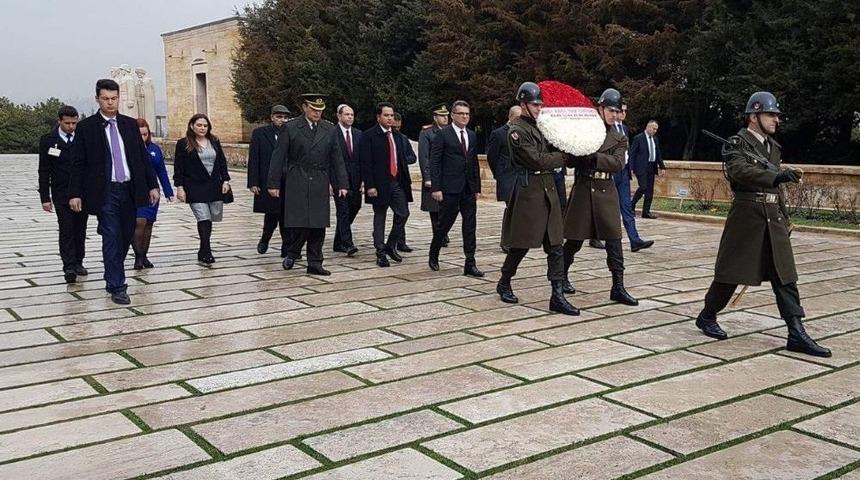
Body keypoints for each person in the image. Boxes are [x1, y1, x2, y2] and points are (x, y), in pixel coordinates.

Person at [695, 92, 830, 357]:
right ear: (754, 116)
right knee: (730, 274)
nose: (776, 120)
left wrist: (785, 217)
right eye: (771, 114)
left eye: (777, 115)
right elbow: (739, 172)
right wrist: (776, 176)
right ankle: (707, 315)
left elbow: (776, 190)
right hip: (747, 217)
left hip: (772, 216)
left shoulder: (773, 147)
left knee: (785, 276)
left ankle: (796, 332)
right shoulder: (737, 142)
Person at [68, 79, 159, 305]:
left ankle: (111, 276)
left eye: (114, 98)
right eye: (106, 99)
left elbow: (141, 158)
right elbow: (77, 163)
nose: (110, 103)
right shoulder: (87, 127)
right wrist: (75, 193)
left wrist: (152, 185)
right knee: (111, 235)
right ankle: (118, 286)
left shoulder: (129, 125)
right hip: (105, 191)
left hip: (129, 189)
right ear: (97, 98)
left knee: (125, 236)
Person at [497, 82, 578, 315]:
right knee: (521, 244)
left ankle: (557, 295)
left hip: (548, 189)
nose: (539, 108)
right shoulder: (516, 130)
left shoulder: (542, 127)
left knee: (555, 245)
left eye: (541, 104)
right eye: (535, 104)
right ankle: (504, 281)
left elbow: (553, 150)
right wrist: (562, 157)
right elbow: (537, 160)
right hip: (529, 192)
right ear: (523, 104)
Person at [561, 88, 638, 306]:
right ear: (600, 108)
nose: (615, 115)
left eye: (618, 111)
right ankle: (561, 277)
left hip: (606, 189)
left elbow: (618, 164)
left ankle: (618, 286)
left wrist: (593, 156)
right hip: (584, 188)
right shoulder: (585, 131)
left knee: (614, 240)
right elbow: (570, 160)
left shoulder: (620, 137)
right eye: (611, 110)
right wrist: (576, 150)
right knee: (574, 240)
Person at [267, 94, 348, 275]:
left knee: (318, 224)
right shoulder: (291, 127)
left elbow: (337, 158)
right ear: (304, 107)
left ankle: (315, 262)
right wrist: (273, 184)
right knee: (301, 223)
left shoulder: (329, 129)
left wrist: (342, 183)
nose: (316, 113)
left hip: (320, 179)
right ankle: (293, 251)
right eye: (313, 109)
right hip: (298, 178)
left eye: (320, 110)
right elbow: (278, 157)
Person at [428, 100, 483, 277]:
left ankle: (470, 261)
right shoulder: (443, 135)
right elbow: (435, 162)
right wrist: (436, 187)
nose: (465, 117)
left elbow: (474, 162)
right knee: (444, 224)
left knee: (470, 225)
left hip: (467, 188)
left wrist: (476, 187)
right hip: (450, 188)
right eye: (461, 113)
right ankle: (434, 252)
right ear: (453, 115)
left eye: (467, 114)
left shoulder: (472, 135)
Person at [360, 102, 414, 267]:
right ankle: (380, 251)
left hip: (396, 182)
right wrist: (370, 185)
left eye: (391, 115)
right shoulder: (369, 136)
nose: (390, 118)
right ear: (378, 117)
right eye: (386, 115)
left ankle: (391, 244)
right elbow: (366, 163)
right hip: (378, 184)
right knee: (380, 216)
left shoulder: (397, 136)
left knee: (403, 213)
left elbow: (402, 158)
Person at [39, 105, 88, 283]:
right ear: (59, 121)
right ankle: (68, 265)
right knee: (66, 229)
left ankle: (78, 261)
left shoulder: (82, 138)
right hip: (61, 193)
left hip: (82, 193)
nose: (71, 127)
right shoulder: (48, 140)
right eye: (67, 123)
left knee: (80, 229)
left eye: (74, 123)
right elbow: (44, 170)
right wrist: (45, 197)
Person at [173, 114, 231, 265]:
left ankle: (202, 249)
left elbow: (222, 162)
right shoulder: (183, 143)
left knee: (210, 218)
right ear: (192, 125)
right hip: (194, 186)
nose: (202, 128)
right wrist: (179, 187)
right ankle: (207, 250)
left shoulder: (214, 141)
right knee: (203, 217)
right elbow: (178, 167)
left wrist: (225, 180)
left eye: (205, 125)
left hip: (213, 186)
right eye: (199, 125)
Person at [248, 105, 291, 256]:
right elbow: (254, 158)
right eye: (279, 117)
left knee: (287, 215)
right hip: (268, 180)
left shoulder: (292, 133)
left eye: (285, 117)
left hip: (288, 180)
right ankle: (265, 238)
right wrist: (253, 182)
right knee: (272, 214)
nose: (282, 120)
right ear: (272, 117)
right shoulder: (260, 134)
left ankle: (287, 248)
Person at [132, 118, 174, 269]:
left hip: (153, 191)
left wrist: (168, 191)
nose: (142, 137)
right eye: (139, 134)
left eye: (145, 134)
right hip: (136, 191)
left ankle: (144, 255)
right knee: (139, 222)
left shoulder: (154, 149)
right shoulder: (129, 149)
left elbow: (161, 171)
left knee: (149, 223)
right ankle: (137, 256)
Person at [613, 107, 654, 252]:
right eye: (619, 110)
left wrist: (629, 169)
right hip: (611, 172)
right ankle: (595, 237)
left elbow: (627, 151)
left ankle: (634, 240)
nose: (622, 113)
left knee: (627, 207)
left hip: (623, 173)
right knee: (605, 208)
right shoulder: (606, 128)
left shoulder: (624, 128)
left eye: (624, 111)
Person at [487, 105, 521, 253]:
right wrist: (499, 174)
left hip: (520, 177)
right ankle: (507, 241)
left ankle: (517, 239)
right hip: (507, 176)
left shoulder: (522, 132)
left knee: (518, 209)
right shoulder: (499, 133)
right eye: (518, 118)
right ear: (511, 117)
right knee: (511, 208)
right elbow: (492, 156)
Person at [417, 104, 450, 249]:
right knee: (435, 208)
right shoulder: (427, 133)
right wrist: (428, 177)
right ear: (435, 117)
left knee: (447, 207)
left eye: (446, 115)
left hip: (447, 175)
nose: (445, 118)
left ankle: (443, 232)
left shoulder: (450, 131)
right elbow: (424, 156)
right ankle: (439, 234)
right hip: (435, 176)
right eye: (442, 116)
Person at [332, 104, 363, 256]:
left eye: (352, 114)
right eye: (346, 114)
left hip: (356, 179)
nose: (350, 117)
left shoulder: (358, 134)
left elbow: (363, 159)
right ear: (339, 116)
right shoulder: (332, 133)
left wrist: (364, 179)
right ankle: (347, 243)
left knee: (355, 206)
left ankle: (338, 241)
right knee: (343, 210)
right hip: (338, 179)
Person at [392, 111, 417, 252]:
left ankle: (400, 241)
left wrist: (401, 160)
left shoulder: (403, 138)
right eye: (394, 127)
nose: (396, 130)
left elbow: (412, 157)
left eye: (398, 127)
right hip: (388, 181)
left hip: (401, 179)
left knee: (402, 212)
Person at [630, 119, 665, 219]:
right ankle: (632, 204)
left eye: (656, 129)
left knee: (650, 190)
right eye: (654, 128)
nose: (655, 131)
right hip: (641, 167)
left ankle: (646, 212)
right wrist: (631, 167)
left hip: (651, 166)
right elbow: (632, 154)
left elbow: (658, 153)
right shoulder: (638, 138)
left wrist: (662, 166)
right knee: (643, 187)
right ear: (648, 127)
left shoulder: (655, 139)